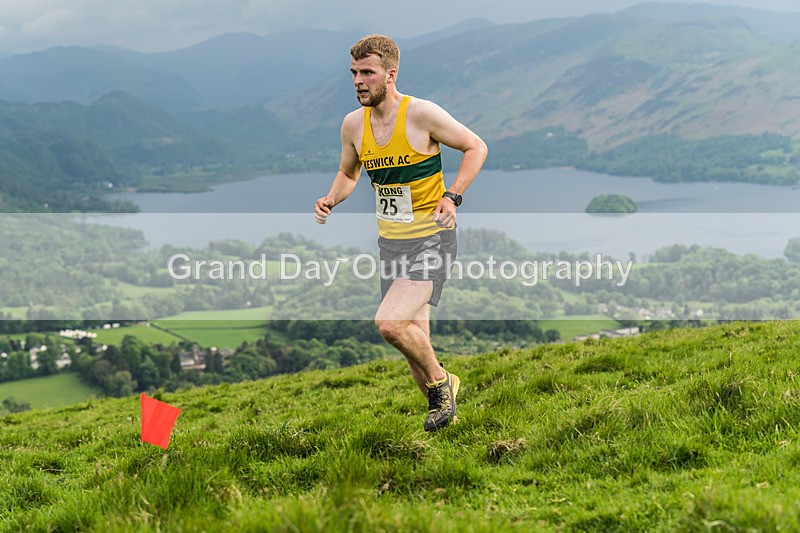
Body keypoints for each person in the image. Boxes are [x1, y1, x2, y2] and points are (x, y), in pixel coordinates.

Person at [314, 34, 487, 431]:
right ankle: (449, 426)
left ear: (390, 75)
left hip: (432, 239)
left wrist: (452, 196)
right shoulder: (353, 124)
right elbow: (348, 173)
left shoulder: (421, 114)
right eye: (354, 73)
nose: (358, 81)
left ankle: (443, 382)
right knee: (413, 344)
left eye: (367, 73)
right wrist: (331, 198)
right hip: (391, 245)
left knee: (390, 324)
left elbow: (476, 147)